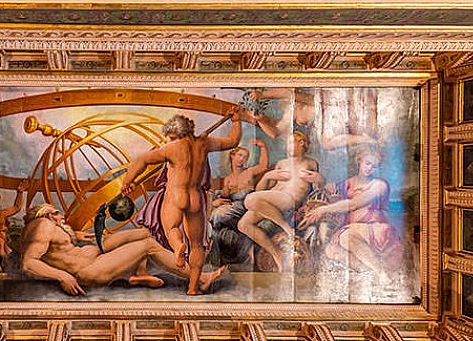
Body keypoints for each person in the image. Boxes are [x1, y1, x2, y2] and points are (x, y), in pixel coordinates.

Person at [120, 111, 241, 295]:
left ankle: (177, 247)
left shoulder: (172, 148)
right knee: (197, 245)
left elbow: (143, 160)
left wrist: (128, 181)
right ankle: (192, 288)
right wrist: (236, 120)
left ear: (176, 133)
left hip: (176, 195)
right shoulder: (205, 144)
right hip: (196, 197)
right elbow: (233, 141)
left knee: (172, 229)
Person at [20, 204, 224, 296]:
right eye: (56, 212)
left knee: (144, 233)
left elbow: (55, 249)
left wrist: (75, 235)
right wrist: (62, 276)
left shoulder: (44, 227)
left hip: (92, 255)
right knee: (149, 245)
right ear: (45, 214)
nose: (61, 215)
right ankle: (200, 279)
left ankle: (139, 274)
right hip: (90, 269)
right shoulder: (43, 225)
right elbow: (29, 263)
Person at [301, 146, 400, 279]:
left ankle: (381, 273)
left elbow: (353, 204)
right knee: (331, 250)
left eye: (375, 166)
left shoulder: (379, 185)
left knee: (346, 237)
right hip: (352, 229)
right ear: (359, 161)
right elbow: (332, 199)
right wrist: (327, 187)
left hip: (376, 230)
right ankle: (369, 272)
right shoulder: (347, 183)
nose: (370, 168)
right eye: (367, 163)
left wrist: (323, 209)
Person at [237, 130, 322, 271]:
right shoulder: (281, 163)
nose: (288, 146)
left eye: (291, 142)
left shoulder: (310, 163)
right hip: (272, 200)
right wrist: (268, 176)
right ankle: (277, 255)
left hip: (289, 200)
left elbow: (317, 188)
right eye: (287, 143)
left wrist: (320, 180)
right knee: (243, 224)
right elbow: (260, 190)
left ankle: (287, 228)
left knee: (250, 199)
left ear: (302, 143)